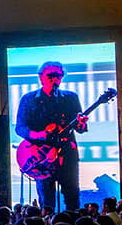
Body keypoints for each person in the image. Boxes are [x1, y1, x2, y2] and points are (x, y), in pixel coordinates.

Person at [15, 61, 88, 212]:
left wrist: (81, 124)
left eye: (59, 76)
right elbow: (20, 128)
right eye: (51, 76)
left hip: (66, 154)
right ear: (41, 77)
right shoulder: (29, 99)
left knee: (72, 196)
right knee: (47, 201)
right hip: (42, 157)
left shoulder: (71, 98)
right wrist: (40, 135)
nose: (55, 79)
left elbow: (80, 128)